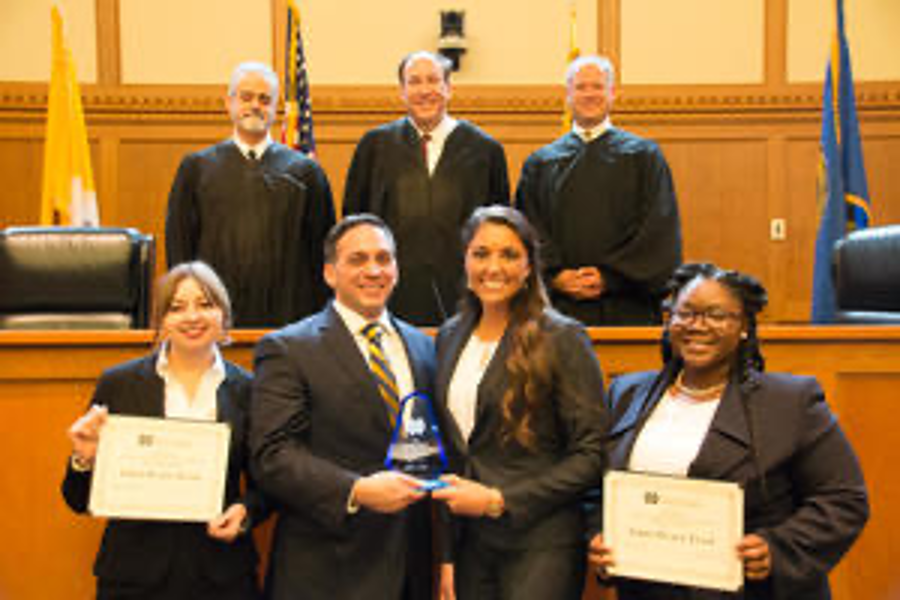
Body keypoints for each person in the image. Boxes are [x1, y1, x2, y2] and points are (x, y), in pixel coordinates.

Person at [588, 262, 870, 599]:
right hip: (647, 589)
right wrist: (601, 536)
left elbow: (844, 500)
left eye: (717, 315)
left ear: (744, 327)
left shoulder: (791, 402)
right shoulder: (626, 392)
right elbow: (596, 487)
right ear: (669, 321)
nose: (697, 326)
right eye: (685, 313)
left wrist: (776, 550)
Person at [249, 215, 437, 600]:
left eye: (384, 258)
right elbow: (272, 455)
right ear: (329, 273)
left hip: (410, 569)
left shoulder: (424, 347)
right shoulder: (288, 348)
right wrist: (357, 490)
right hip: (326, 572)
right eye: (358, 259)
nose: (374, 270)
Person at [61, 262, 269, 600]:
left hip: (222, 576)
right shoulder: (119, 383)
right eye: (177, 307)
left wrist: (246, 511)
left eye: (205, 304)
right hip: (134, 576)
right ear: (160, 320)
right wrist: (83, 460)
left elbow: (267, 484)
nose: (192, 317)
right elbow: (77, 500)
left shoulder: (250, 390)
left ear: (224, 315)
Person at [431, 206, 606, 600]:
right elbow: (451, 455)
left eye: (509, 255)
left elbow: (591, 454)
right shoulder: (449, 336)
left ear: (529, 267)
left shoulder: (562, 337)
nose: (493, 267)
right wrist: (447, 557)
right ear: (465, 260)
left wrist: (499, 501)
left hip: (541, 544)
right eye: (481, 253)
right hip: (471, 547)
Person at [343, 51, 510, 326]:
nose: (424, 91)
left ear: (449, 87)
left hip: (466, 295)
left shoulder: (485, 150)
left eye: (433, 80)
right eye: (414, 82)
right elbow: (354, 225)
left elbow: (500, 233)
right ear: (402, 91)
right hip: (388, 294)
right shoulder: (374, 147)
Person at [516, 55, 682, 326]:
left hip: (629, 307)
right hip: (558, 310)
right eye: (581, 87)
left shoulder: (644, 156)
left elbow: (658, 230)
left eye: (597, 86)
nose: (589, 94)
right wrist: (555, 277)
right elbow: (529, 229)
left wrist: (610, 278)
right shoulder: (541, 163)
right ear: (568, 95)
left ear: (613, 93)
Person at [166, 61, 335, 328]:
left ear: (276, 108)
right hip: (215, 316)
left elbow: (322, 252)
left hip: (290, 317)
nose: (255, 105)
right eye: (246, 97)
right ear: (229, 103)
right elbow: (180, 246)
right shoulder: (197, 169)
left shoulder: (306, 173)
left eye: (264, 99)